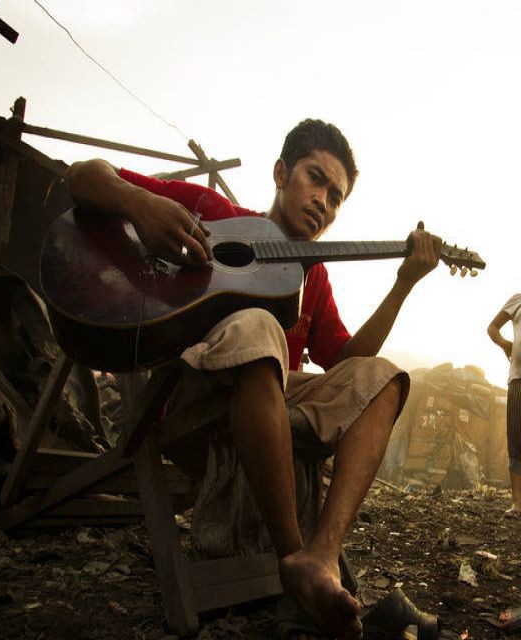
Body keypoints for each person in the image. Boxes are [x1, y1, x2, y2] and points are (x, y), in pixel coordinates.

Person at [66, 119, 441, 640]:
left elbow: (347, 366)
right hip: (192, 401)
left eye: (336, 197)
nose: (323, 201)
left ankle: (321, 556)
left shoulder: (312, 274)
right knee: (259, 326)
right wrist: (141, 204)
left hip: (269, 409)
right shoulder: (213, 213)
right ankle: (292, 557)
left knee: (384, 377)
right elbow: (83, 175)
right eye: (315, 179)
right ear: (281, 173)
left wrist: (403, 284)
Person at [487, 294, 521, 516]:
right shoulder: (518, 300)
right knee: (516, 440)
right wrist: (505, 344)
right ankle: (518, 503)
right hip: (518, 379)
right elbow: (493, 328)